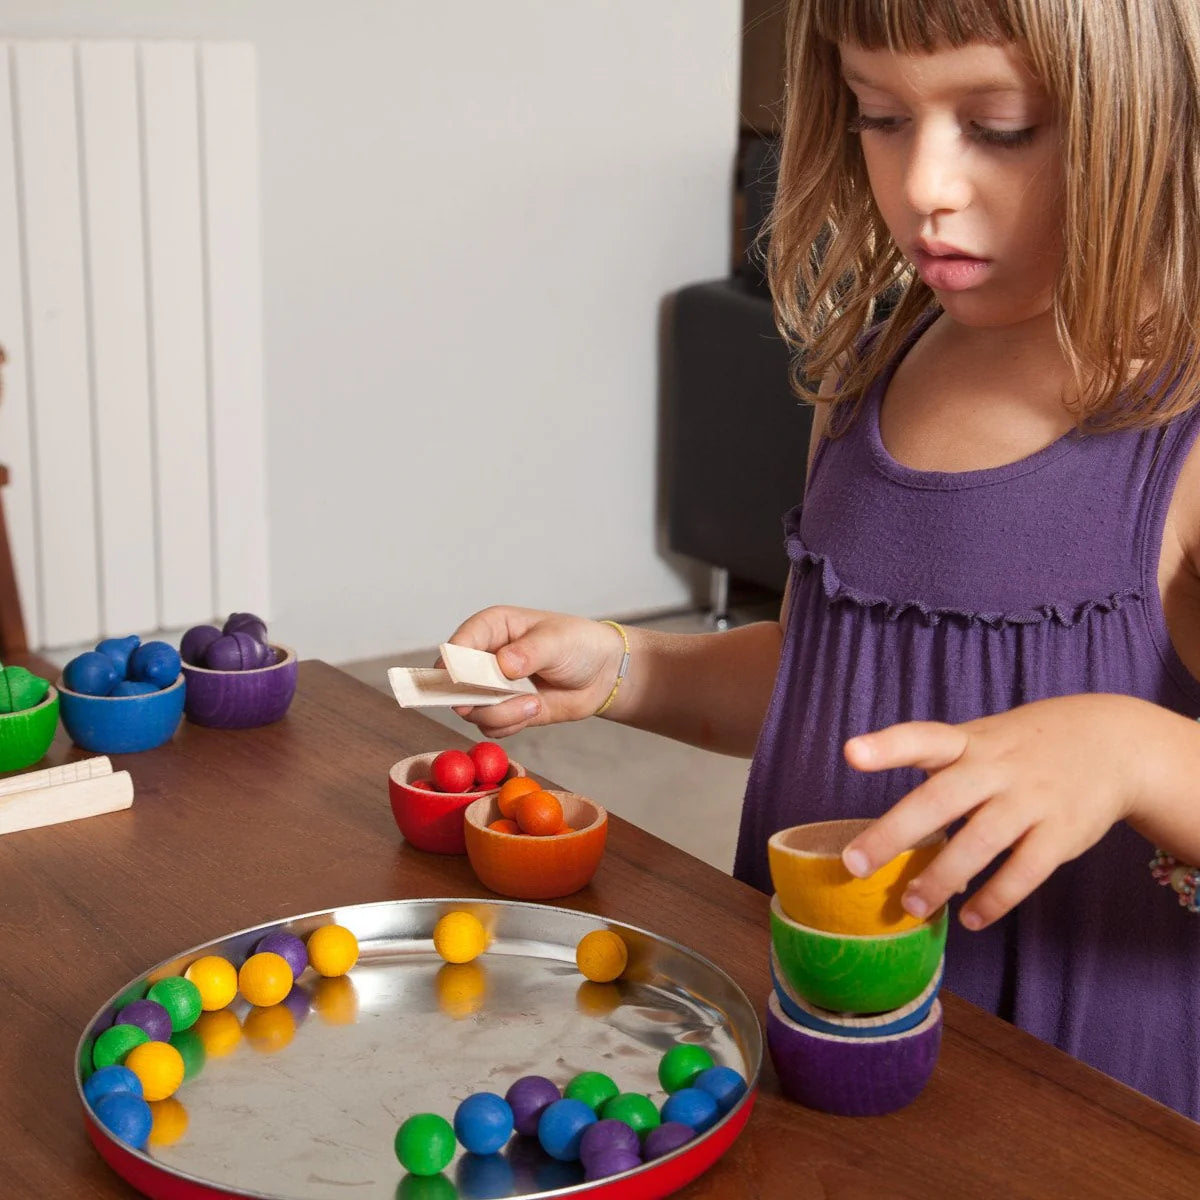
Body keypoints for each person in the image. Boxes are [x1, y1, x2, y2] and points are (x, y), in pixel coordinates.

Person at [444, 0, 1200, 1120]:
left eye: (998, 126)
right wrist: (623, 668)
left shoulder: (1178, 422)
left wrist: (1133, 754)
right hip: (818, 1026)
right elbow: (827, 682)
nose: (924, 184)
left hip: (1077, 1087)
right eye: (880, 115)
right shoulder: (872, 366)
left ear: (1140, 116)